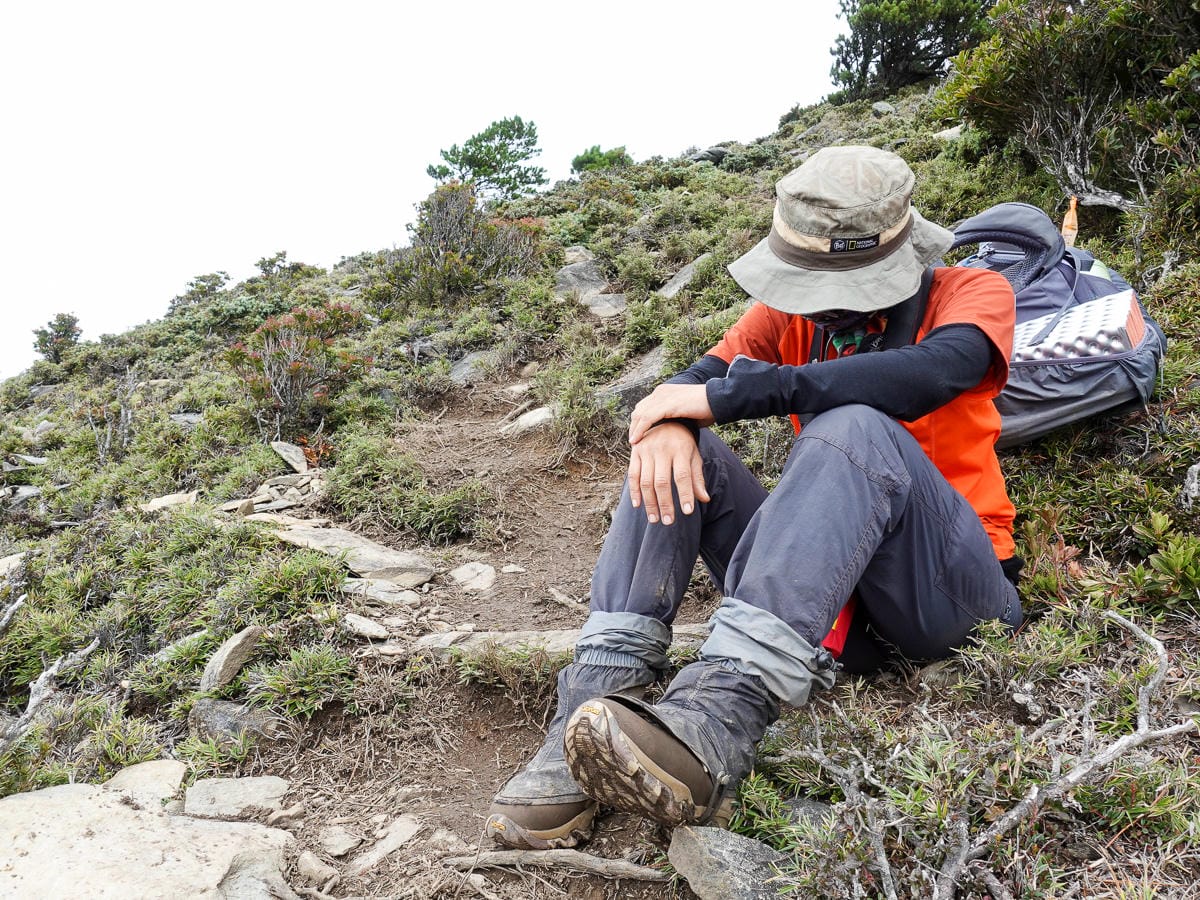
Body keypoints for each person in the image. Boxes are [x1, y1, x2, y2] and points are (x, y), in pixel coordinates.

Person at [484, 145, 1024, 849]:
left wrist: (734, 394)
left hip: (951, 596)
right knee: (683, 447)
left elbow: (930, 373)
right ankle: (585, 713)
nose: (819, 304)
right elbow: (684, 384)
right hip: (830, 611)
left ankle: (720, 719)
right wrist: (675, 420)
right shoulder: (784, 319)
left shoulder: (971, 292)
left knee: (854, 424)